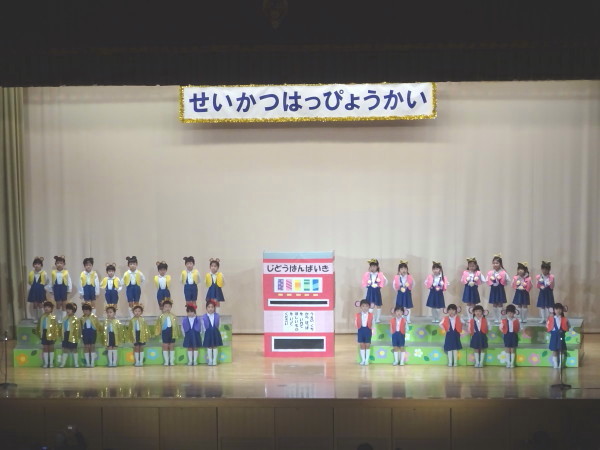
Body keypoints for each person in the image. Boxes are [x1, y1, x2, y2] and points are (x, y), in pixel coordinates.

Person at [155, 299, 181, 366]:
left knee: (172, 346)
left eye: (169, 306)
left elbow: (176, 325)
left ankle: (171, 361)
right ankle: (166, 361)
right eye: (166, 306)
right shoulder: (161, 316)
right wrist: (159, 332)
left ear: (171, 307)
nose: (167, 308)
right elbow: (158, 325)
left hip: (172, 332)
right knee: (165, 346)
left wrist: (176, 333)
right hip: (165, 332)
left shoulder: (173, 316)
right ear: (163, 307)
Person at [361, 258, 387, 323]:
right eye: (371, 266)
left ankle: (377, 319)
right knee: (369, 305)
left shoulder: (380, 274)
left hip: (377, 292)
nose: (373, 268)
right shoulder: (367, 274)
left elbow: (385, 281)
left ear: (377, 267)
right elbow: (363, 281)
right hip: (370, 292)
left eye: (374, 266)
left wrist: (379, 286)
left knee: (378, 305)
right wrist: (367, 285)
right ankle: (369, 318)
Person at [486, 254, 509, 323]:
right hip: (493, 290)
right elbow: (487, 280)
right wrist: (491, 282)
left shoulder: (503, 273)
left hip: (500, 289)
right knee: (494, 303)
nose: (495, 264)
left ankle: (500, 318)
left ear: (500, 264)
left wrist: (503, 283)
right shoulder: (490, 273)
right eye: (494, 263)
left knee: (500, 303)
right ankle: (495, 318)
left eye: (497, 263)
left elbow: (508, 280)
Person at [36, 300, 59, 368]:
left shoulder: (53, 317)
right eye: (45, 307)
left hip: (51, 334)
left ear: (51, 309)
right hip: (44, 333)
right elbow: (38, 326)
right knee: (45, 348)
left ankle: (51, 363)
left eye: (48, 307)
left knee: (51, 348)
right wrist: (40, 334)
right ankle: (46, 363)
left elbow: (56, 327)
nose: (46, 308)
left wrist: (55, 335)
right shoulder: (42, 317)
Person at [547, 302, 570, 369]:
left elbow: (568, 326)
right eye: (556, 309)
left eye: (560, 309)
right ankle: (555, 364)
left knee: (561, 349)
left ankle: (561, 364)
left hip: (561, 336)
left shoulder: (565, 319)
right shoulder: (550, 318)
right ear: (554, 310)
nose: (558, 310)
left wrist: (564, 329)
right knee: (554, 350)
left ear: (562, 310)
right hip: (554, 336)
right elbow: (547, 326)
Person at [202, 300, 224, 366]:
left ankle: (214, 361)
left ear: (214, 308)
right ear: (206, 308)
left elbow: (219, 324)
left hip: (215, 333)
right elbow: (203, 326)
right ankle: (210, 360)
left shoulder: (217, 316)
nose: (210, 308)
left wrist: (216, 330)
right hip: (208, 333)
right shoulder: (204, 316)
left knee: (215, 346)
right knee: (209, 347)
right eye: (209, 307)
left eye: (212, 307)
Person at [60, 302, 81, 368]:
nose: (68, 310)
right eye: (67, 309)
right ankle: (63, 363)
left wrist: (79, 337)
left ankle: (76, 363)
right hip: (66, 334)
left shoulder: (76, 319)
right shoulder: (64, 318)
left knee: (74, 349)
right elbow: (62, 328)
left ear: (73, 310)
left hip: (73, 335)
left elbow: (79, 329)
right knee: (65, 349)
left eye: (69, 309)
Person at [499, 304, 520, 368]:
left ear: (514, 313)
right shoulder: (503, 320)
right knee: (507, 348)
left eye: (511, 313)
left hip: (514, 335)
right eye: (508, 313)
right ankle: (508, 362)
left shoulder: (516, 320)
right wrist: (503, 330)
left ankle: (512, 363)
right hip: (507, 335)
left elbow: (518, 328)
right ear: (506, 313)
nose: (510, 314)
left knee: (513, 349)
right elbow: (500, 328)